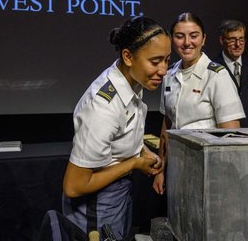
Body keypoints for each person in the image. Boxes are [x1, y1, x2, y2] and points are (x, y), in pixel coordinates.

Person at [62, 16, 171, 240]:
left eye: (167, 60)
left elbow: (121, 135)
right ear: (128, 56)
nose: (163, 70)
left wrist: (141, 151)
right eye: (155, 61)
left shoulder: (133, 80)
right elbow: (74, 186)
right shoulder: (102, 106)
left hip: (118, 195)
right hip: (95, 206)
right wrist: (134, 163)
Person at [152, 12, 245, 195]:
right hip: (177, 169)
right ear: (172, 39)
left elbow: (232, 135)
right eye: (180, 36)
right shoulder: (169, 75)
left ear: (203, 39)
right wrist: (161, 171)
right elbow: (167, 126)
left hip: (210, 171)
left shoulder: (217, 75)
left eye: (194, 36)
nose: (187, 42)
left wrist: (223, 179)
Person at [213, 19, 248, 127]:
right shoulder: (212, 69)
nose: (238, 44)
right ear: (222, 40)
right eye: (232, 40)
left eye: (241, 39)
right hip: (226, 134)